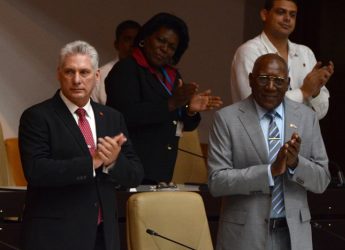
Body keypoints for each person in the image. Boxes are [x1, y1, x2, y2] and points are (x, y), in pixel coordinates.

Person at [18, 40, 144, 250]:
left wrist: (113, 162)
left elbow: (136, 173)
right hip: (56, 237)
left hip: (104, 235)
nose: (77, 80)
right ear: (59, 74)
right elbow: (36, 170)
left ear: (96, 76)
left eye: (84, 72)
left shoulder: (112, 117)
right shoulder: (37, 116)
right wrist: (92, 162)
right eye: (70, 72)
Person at [208, 54, 330, 250]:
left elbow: (322, 179)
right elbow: (217, 182)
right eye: (263, 79)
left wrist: (295, 164)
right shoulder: (227, 119)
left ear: (288, 83)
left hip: (294, 236)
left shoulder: (307, 118)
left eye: (279, 81)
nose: (271, 87)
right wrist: (269, 172)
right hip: (244, 237)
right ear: (251, 80)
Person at [105, 12, 222, 184]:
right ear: (145, 38)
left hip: (161, 170)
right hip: (129, 168)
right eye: (161, 40)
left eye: (172, 47)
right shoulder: (126, 69)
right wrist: (172, 103)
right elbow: (125, 115)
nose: (164, 48)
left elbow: (182, 124)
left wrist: (190, 110)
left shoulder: (171, 75)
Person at [230, 0, 334, 119]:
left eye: (292, 15)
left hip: (300, 134)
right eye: (281, 12)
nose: (287, 18)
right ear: (265, 15)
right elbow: (254, 105)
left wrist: (315, 92)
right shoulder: (249, 51)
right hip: (258, 135)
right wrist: (304, 92)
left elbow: (319, 114)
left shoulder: (305, 53)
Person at [91, 20, 141, 104]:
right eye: (128, 39)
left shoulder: (151, 76)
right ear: (116, 44)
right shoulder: (99, 76)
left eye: (137, 40)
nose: (133, 44)